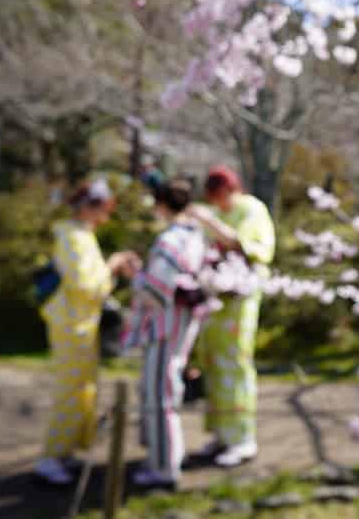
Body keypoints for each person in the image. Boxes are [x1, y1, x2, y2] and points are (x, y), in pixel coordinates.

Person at [36, 179, 141, 485]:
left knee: (83, 389)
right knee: (71, 390)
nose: (106, 215)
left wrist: (111, 269)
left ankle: (66, 450)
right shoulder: (73, 237)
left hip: (82, 323)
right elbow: (85, 285)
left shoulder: (81, 235)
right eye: (104, 208)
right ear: (91, 207)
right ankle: (51, 457)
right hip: (72, 323)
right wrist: (113, 265)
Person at [187, 165, 275, 467]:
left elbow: (246, 247)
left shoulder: (251, 209)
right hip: (216, 299)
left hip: (240, 299)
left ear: (230, 189)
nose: (218, 203)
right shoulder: (219, 212)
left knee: (234, 364)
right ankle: (222, 434)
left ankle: (242, 438)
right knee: (211, 362)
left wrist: (208, 221)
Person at [124, 178, 208, 488]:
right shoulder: (196, 235)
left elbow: (155, 291)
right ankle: (165, 456)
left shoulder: (170, 240)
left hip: (165, 322)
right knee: (165, 388)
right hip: (183, 320)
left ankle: (163, 467)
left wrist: (136, 277)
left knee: (160, 393)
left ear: (161, 205)